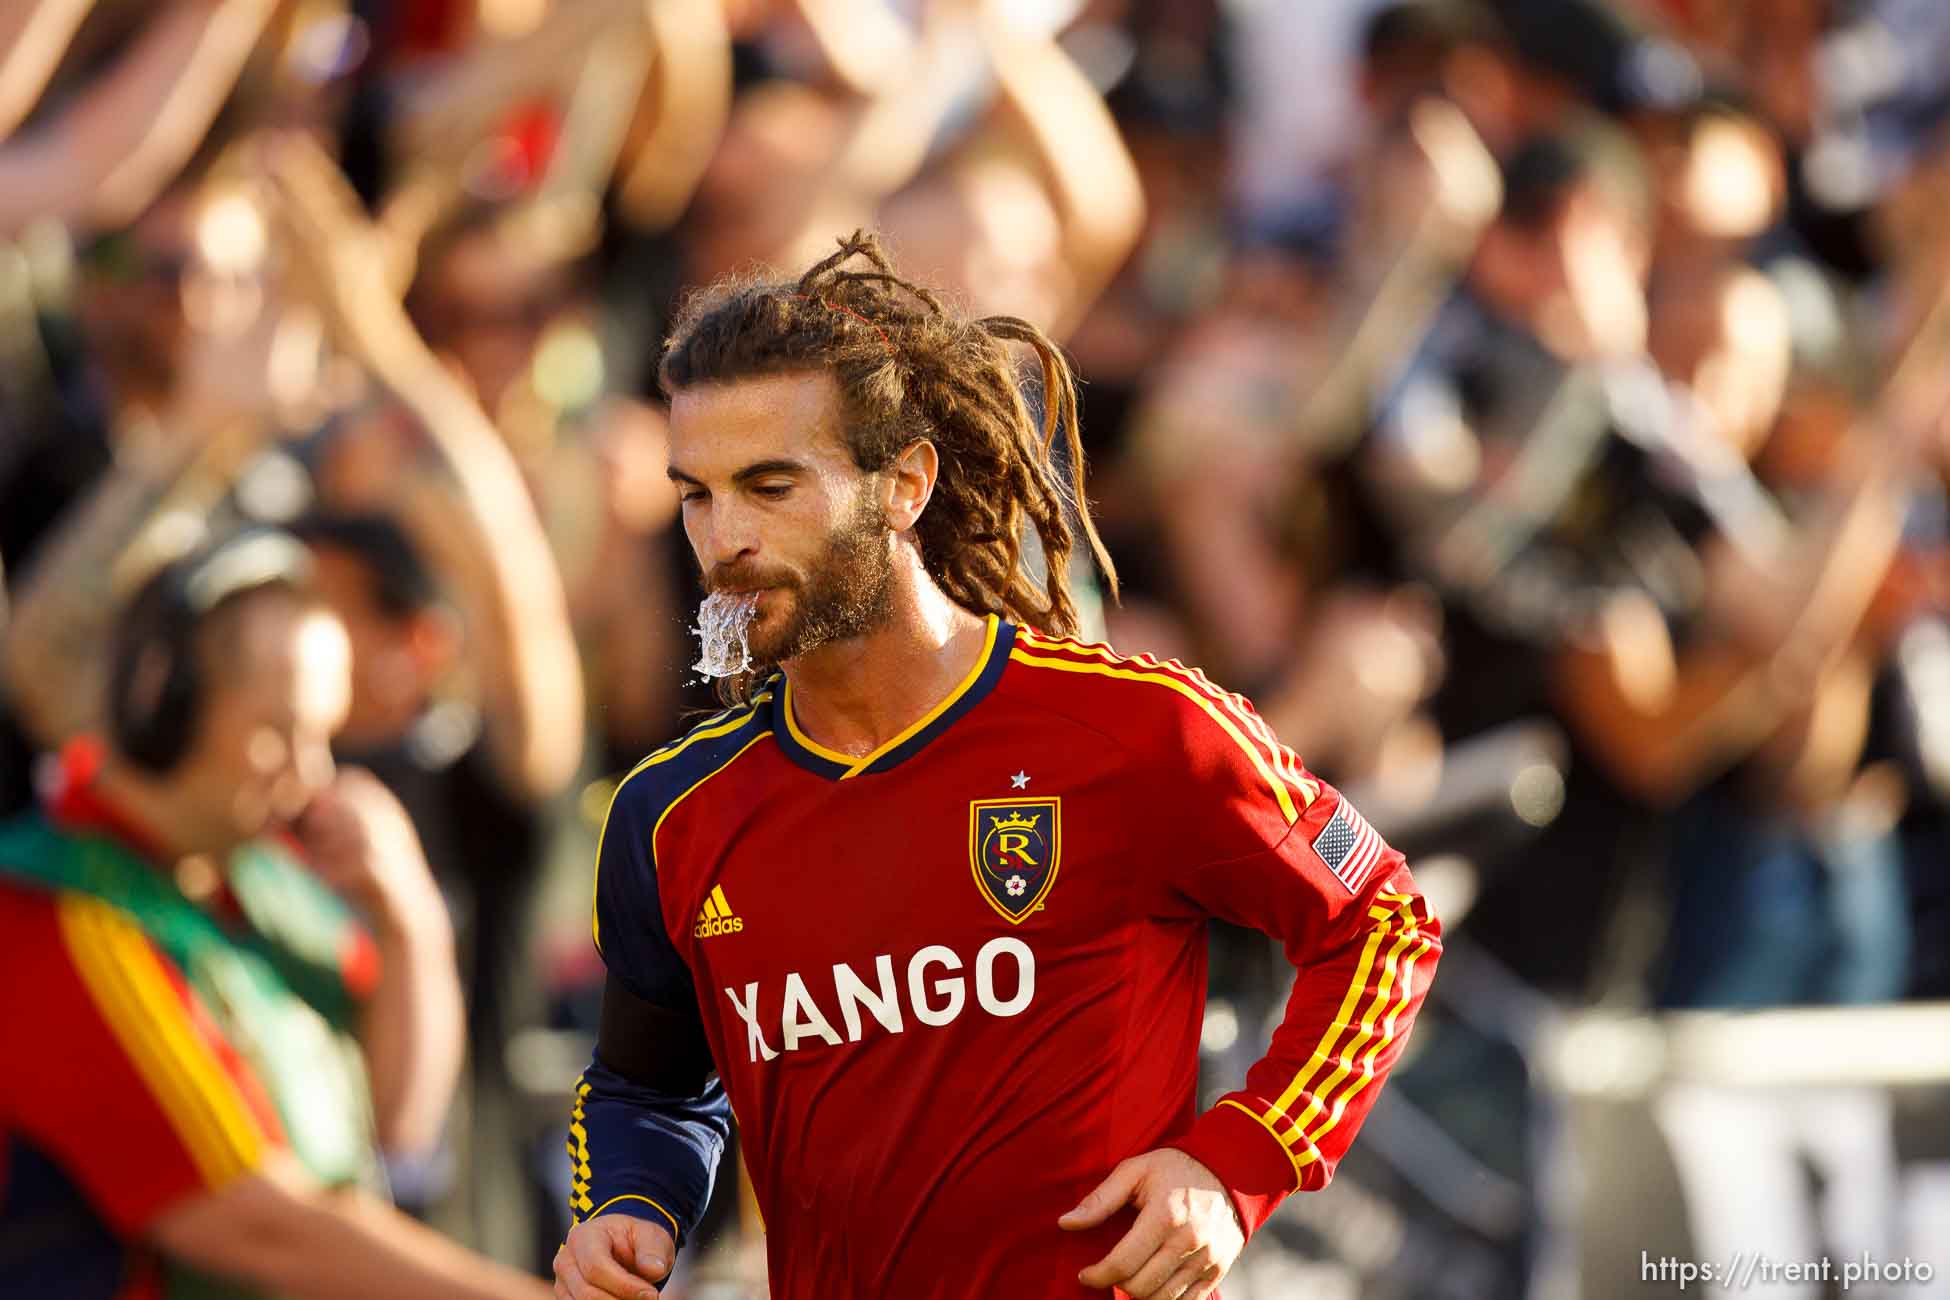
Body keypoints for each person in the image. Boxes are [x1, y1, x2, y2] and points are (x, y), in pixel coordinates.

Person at [553, 233, 1443, 1300]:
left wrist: (1233, 1164)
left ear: (905, 485)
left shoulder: (1138, 731)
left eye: (771, 485)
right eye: (695, 494)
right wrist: (631, 1207)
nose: (722, 537)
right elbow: (646, 1088)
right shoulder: (671, 814)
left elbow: (1380, 922)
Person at [0, 529, 552, 1300]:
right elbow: (261, 1221)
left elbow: (401, 1132)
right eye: (278, 733)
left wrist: (411, 924)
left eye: (322, 735)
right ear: (164, 704)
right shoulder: (53, 915)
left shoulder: (256, 872)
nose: (311, 775)